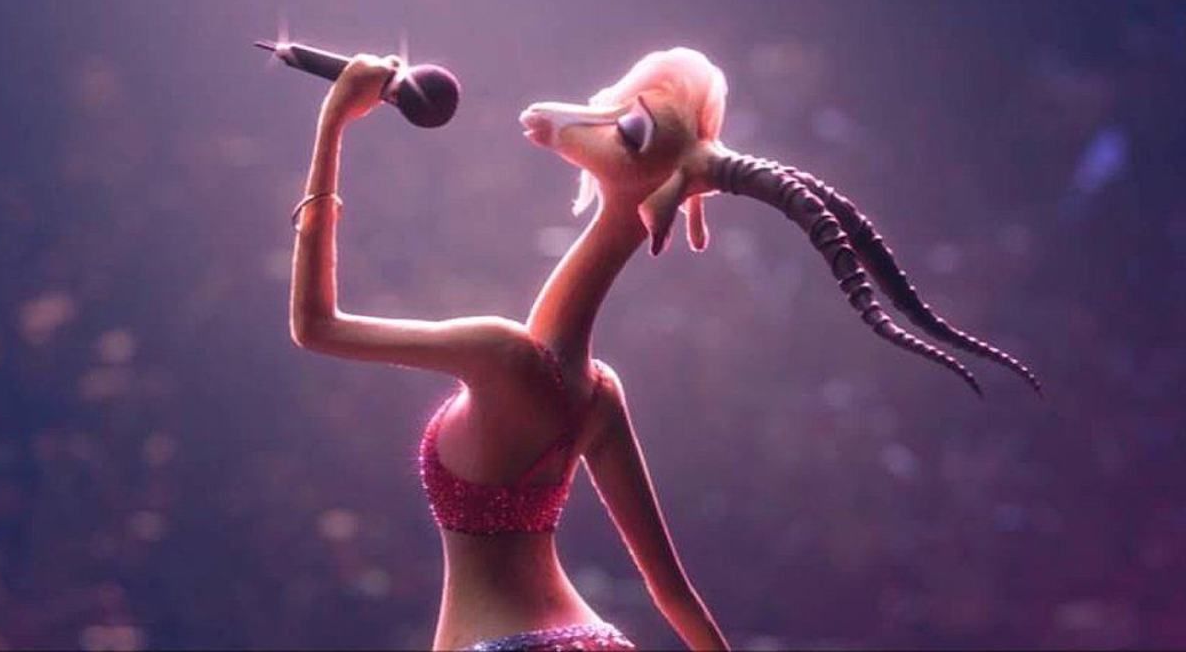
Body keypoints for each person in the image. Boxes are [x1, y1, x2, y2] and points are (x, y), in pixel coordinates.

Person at [289, 46, 1036, 650]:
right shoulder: (597, 395)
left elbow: (315, 326)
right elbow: (671, 592)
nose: (589, 121)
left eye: (628, 128)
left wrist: (333, 123)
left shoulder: (499, 353)